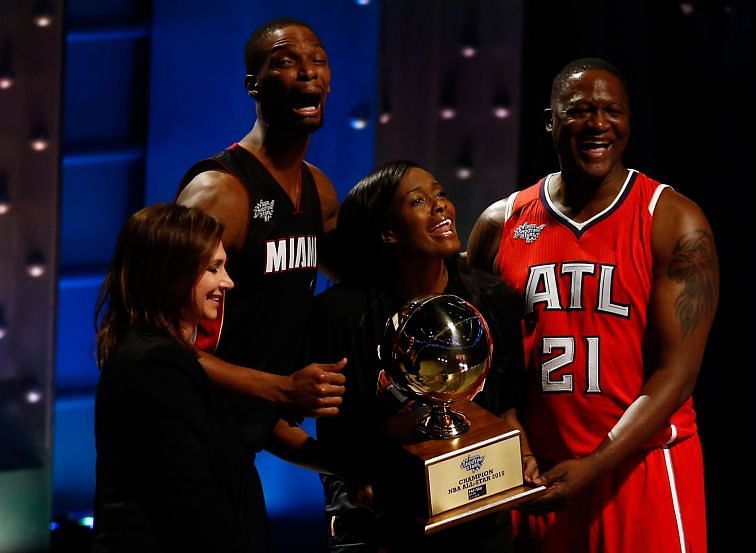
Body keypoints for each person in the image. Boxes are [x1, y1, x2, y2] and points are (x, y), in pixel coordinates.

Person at [467, 58, 719, 552]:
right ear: (550, 121)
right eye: (580, 111)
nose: (598, 124)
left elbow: (677, 373)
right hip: (536, 472)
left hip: (642, 468)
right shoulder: (501, 223)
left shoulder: (672, 219)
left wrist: (596, 464)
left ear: (628, 121)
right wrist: (514, 443)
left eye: (611, 111)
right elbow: (488, 364)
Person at [311, 161, 537, 553]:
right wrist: (353, 475)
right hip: (378, 527)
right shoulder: (341, 314)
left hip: (478, 522)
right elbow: (329, 427)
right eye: (418, 200)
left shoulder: (493, 300)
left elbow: (507, 409)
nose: (440, 206)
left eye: (441, 195)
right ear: (387, 232)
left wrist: (524, 455)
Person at [92, 203, 334, 552]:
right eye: (213, 268)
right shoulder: (156, 366)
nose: (228, 282)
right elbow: (189, 503)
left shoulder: (155, 358)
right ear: (171, 274)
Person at [175, 18, 346, 450]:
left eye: (318, 60)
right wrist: (282, 389)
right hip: (179, 438)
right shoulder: (220, 192)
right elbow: (157, 343)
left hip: (237, 444)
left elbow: (359, 288)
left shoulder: (318, 191)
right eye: (286, 62)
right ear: (254, 85)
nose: (308, 71)